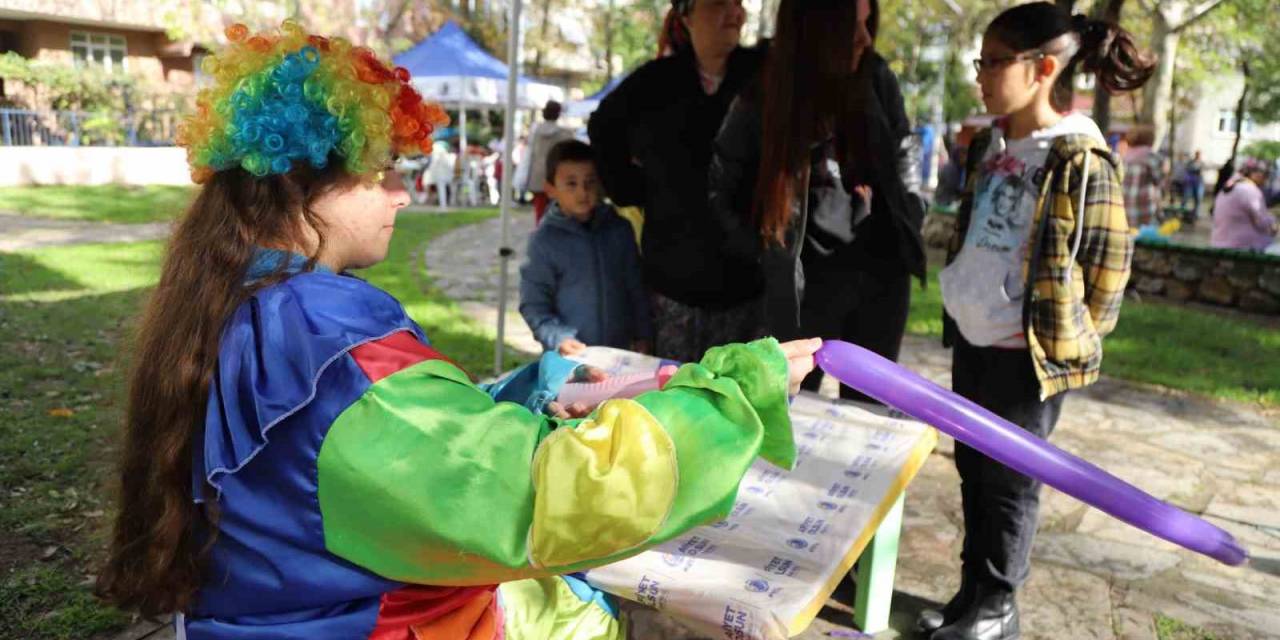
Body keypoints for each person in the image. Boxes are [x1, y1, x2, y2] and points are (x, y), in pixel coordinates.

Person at [94, 22, 823, 639]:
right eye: (381, 173)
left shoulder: (245, 298)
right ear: (299, 184)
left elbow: (370, 464)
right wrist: (732, 394)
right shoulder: (325, 340)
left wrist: (525, 392)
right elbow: (542, 498)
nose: (403, 195)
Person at [929, 5, 1153, 639]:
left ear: (1043, 68)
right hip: (973, 341)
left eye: (994, 62)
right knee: (973, 470)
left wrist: (1074, 336)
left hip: (1021, 355)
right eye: (982, 61)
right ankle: (971, 599)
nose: (981, 76)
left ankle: (997, 606)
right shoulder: (993, 142)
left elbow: (1110, 262)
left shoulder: (1078, 156)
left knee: (1008, 482)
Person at [708, 0, 926, 401]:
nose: (865, 39)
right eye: (852, 28)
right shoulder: (767, 95)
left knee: (867, 414)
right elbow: (721, 183)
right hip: (804, 290)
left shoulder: (876, 77)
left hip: (881, 278)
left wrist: (912, 209)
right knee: (788, 411)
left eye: (867, 24)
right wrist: (762, 251)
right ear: (815, 32)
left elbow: (905, 147)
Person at [589, 0, 768, 363]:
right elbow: (603, 128)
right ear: (686, 16)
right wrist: (635, 189)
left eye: (739, 3)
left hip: (748, 280)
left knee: (741, 399)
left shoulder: (763, 75)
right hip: (675, 282)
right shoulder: (655, 82)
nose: (735, 13)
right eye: (720, 3)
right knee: (677, 396)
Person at [520, 140, 653, 356]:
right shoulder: (544, 241)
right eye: (571, 183)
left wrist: (643, 334)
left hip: (621, 354)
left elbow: (636, 287)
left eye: (590, 182)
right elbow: (534, 305)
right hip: (570, 360)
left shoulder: (620, 229)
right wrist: (559, 338)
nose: (582, 192)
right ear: (550, 189)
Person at [521, 100, 575, 223]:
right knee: (559, 211)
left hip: (537, 176)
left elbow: (531, 154)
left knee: (539, 211)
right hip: (557, 176)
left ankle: (540, 235)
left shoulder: (535, 132)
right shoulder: (565, 134)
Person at [1210, 158, 1277, 251]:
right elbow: (1263, 222)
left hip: (1218, 243)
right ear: (1255, 174)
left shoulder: (1229, 187)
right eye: (1265, 175)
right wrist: (1273, 221)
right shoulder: (1250, 190)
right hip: (1242, 247)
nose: (1266, 179)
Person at [1121, 125, 1164, 226]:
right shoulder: (1151, 157)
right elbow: (1158, 182)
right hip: (1145, 208)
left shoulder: (1125, 157)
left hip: (1125, 208)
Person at [427, 140, 454, 207]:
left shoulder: (438, 155)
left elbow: (433, 165)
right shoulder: (448, 156)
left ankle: (438, 202)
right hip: (447, 177)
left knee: (427, 181)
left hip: (440, 177)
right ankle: (435, 200)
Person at [1182, 149, 1205, 219]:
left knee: (1198, 199)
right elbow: (1187, 170)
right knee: (1186, 197)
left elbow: (1201, 173)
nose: (1198, 156)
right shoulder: (1191, 162)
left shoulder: (1201, 163)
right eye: (1197, 154)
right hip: (1190, 183)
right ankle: (1182, 211)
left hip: (1198, 183)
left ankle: (1196, 213)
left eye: (1199, 154)